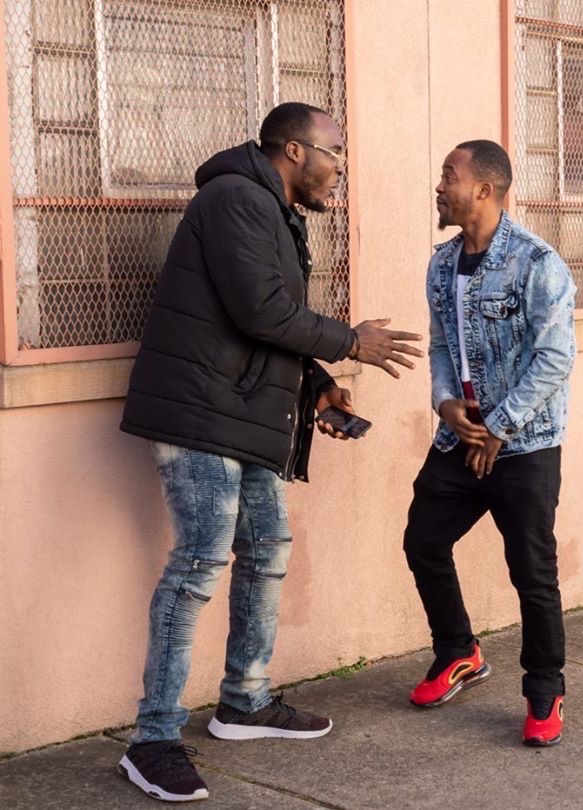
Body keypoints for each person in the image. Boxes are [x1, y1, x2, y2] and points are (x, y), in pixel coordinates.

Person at [117, 102, 423, 802]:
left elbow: (261, 324)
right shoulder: (235, 199)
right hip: (200, 413)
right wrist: (351, 343)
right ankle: (152, 740)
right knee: (200, 562)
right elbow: (260, 310)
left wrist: (317, 386)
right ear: (294, 150)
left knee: (266, 549)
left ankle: (244, 701)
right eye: (335, 155)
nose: (340, 170)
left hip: (242, 413)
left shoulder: (272, 210)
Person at [402, 140, 576, 747]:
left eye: (448, 175)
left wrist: (500, 427)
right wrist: (445, 404)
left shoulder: (536, 263)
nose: (439, 185)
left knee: (532, 571)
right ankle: (458, 651)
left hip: (526, 443)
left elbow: (555, 357)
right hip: (461, 437)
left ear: (482, 189)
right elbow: (442, 346)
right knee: (423, 541)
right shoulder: (441, 265)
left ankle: (545, 689)